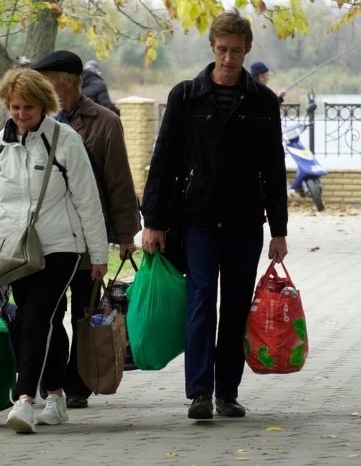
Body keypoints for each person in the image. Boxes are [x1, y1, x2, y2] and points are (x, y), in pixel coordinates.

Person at [140, 9, 289, 420]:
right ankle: (200, 392)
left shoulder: (262, 102)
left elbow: (274, 166)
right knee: (202, 298)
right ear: (212, 47)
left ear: (247, 50)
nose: (228, 58)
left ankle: (228, 392)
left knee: (237, 304)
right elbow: (164, 159)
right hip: (197, 218)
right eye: (222, 49)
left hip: (244, 221)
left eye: (236, 51)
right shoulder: (186, 96)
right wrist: (153, 222)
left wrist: (279, 230)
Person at [0, 68, 108, 433]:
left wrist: (98, 255)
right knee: (33, 321)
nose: (21, 114)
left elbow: (87, 200)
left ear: (44, 105)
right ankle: (57, 397)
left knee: (36, 319)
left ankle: (24, 401)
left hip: (61, 245)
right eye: (14, 107)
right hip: (16, 251)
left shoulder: (65, 140)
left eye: (28, 107)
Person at [31, 50, 141, 409]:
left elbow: (119, 181)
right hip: (47, 236)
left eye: (46, 79)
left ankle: (78, 381)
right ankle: (52, 377)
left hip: (86, 236)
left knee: (84, 309)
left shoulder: (105, 122)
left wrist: (125, 236)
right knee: (49, 310)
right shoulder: (38, 121)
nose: (41, 86)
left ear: (67, 81)